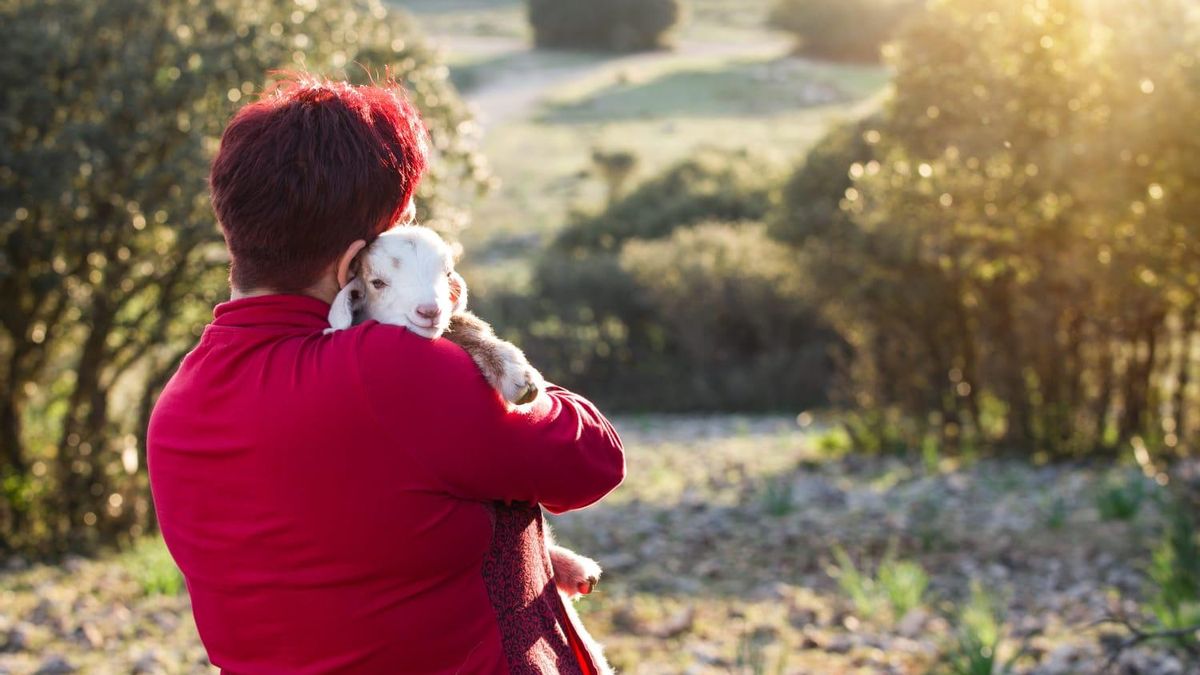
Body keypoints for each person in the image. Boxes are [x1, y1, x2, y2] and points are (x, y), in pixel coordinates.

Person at [147, 75, 625, 674]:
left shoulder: (176, 406)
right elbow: (592, 459)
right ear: (356, 262)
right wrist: (462, 333)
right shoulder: (393, 370)